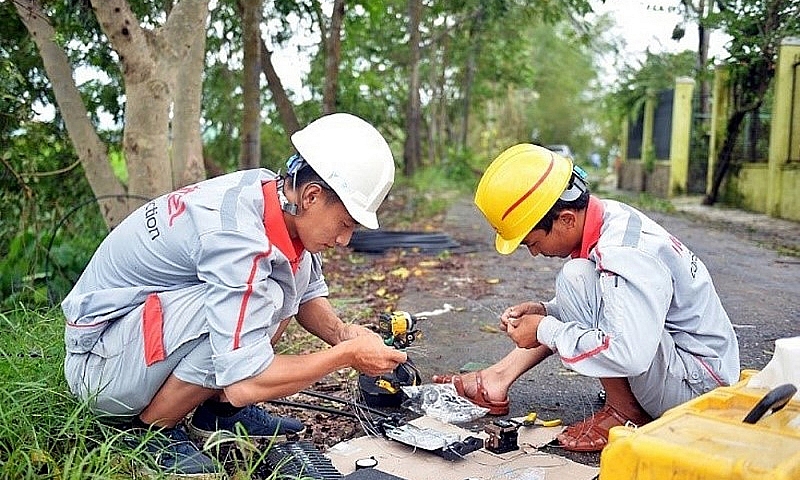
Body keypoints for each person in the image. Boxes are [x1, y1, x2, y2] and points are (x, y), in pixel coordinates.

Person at [62, 112, 408, 476]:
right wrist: (345, 355)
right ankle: (150, 433)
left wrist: (341, 333)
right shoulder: (237, 239)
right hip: (100, 366)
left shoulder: (270, 195)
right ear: (311, 195)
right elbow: (247, 382)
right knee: (259, 299)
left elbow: (305, 294)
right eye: (345, 223)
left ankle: (217, 413)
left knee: (275, 286)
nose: (344, 240)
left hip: (131, 343)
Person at [433, 143, 740, 452]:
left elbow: (628, 352)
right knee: (578, 278)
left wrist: (543, 328)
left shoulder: (623, 252)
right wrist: (545, 311)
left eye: (532, 242)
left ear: (566, 219)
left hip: (698, 391)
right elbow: (606, 304)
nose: (536, 253)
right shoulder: (609, 217)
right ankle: (495, 379)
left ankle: (625, 414)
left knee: (575, 277)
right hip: (689, 367)